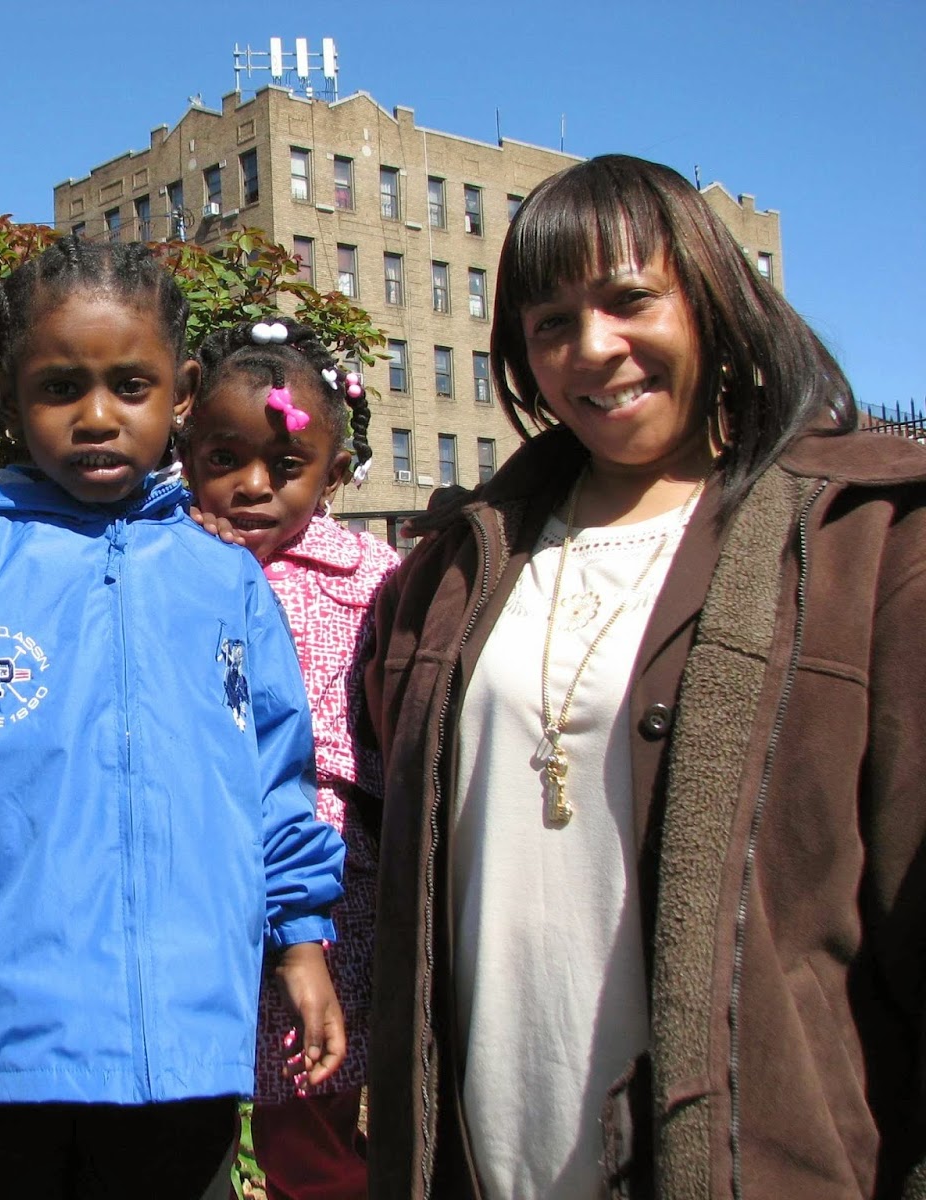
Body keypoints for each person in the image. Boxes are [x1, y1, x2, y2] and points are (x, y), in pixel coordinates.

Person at [363, 153, 926, 1199]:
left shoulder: (867, 547)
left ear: (713, 305)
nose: (594, 349)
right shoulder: (447, 572)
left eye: (629, 301)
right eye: (549, 323)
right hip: (492, 1160)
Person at [0, 237, 347, 1200]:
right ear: (9, 395)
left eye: (130, 386)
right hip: (4, 1037)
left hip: (184, 1035)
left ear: (180, 394)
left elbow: (276, 781)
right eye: (60, 388)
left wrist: (300, 940)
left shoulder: (225, 579)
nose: (97, 417)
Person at [181, 317, 397, 1200]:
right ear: (185, 448)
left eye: (287, 466)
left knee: (308, 1108)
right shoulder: (157, 556)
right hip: (188, 881)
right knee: (182, 1110)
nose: (252, 487)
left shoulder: (375, 579)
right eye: (224, 458)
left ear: (335, 476)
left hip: (327, 891)